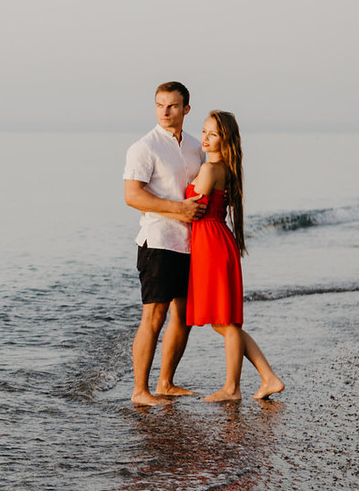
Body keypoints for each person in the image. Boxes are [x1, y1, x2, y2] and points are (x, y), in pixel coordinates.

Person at [186, 111, 285, 401]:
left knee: (226, 322)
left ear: (224, 139)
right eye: (203, 131)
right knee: (223, 322)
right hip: (217, 240)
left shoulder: (209, 170)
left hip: (211, 243)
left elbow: (189, 207)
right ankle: (268, 377)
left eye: (212, 134)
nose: (204, 138)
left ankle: (232, 388)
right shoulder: (225, 167)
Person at [122, 82, 205, 406]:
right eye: (160, 105)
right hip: (158, 241)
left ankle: (166, 383)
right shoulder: (144, 147)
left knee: (184, 317)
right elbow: (132, 195)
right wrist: (178, 209)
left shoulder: (196, 147)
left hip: (191, 243)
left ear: (186, 109)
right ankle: (140, 392)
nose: (165, 112)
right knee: (153, 317)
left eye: (172, 106)